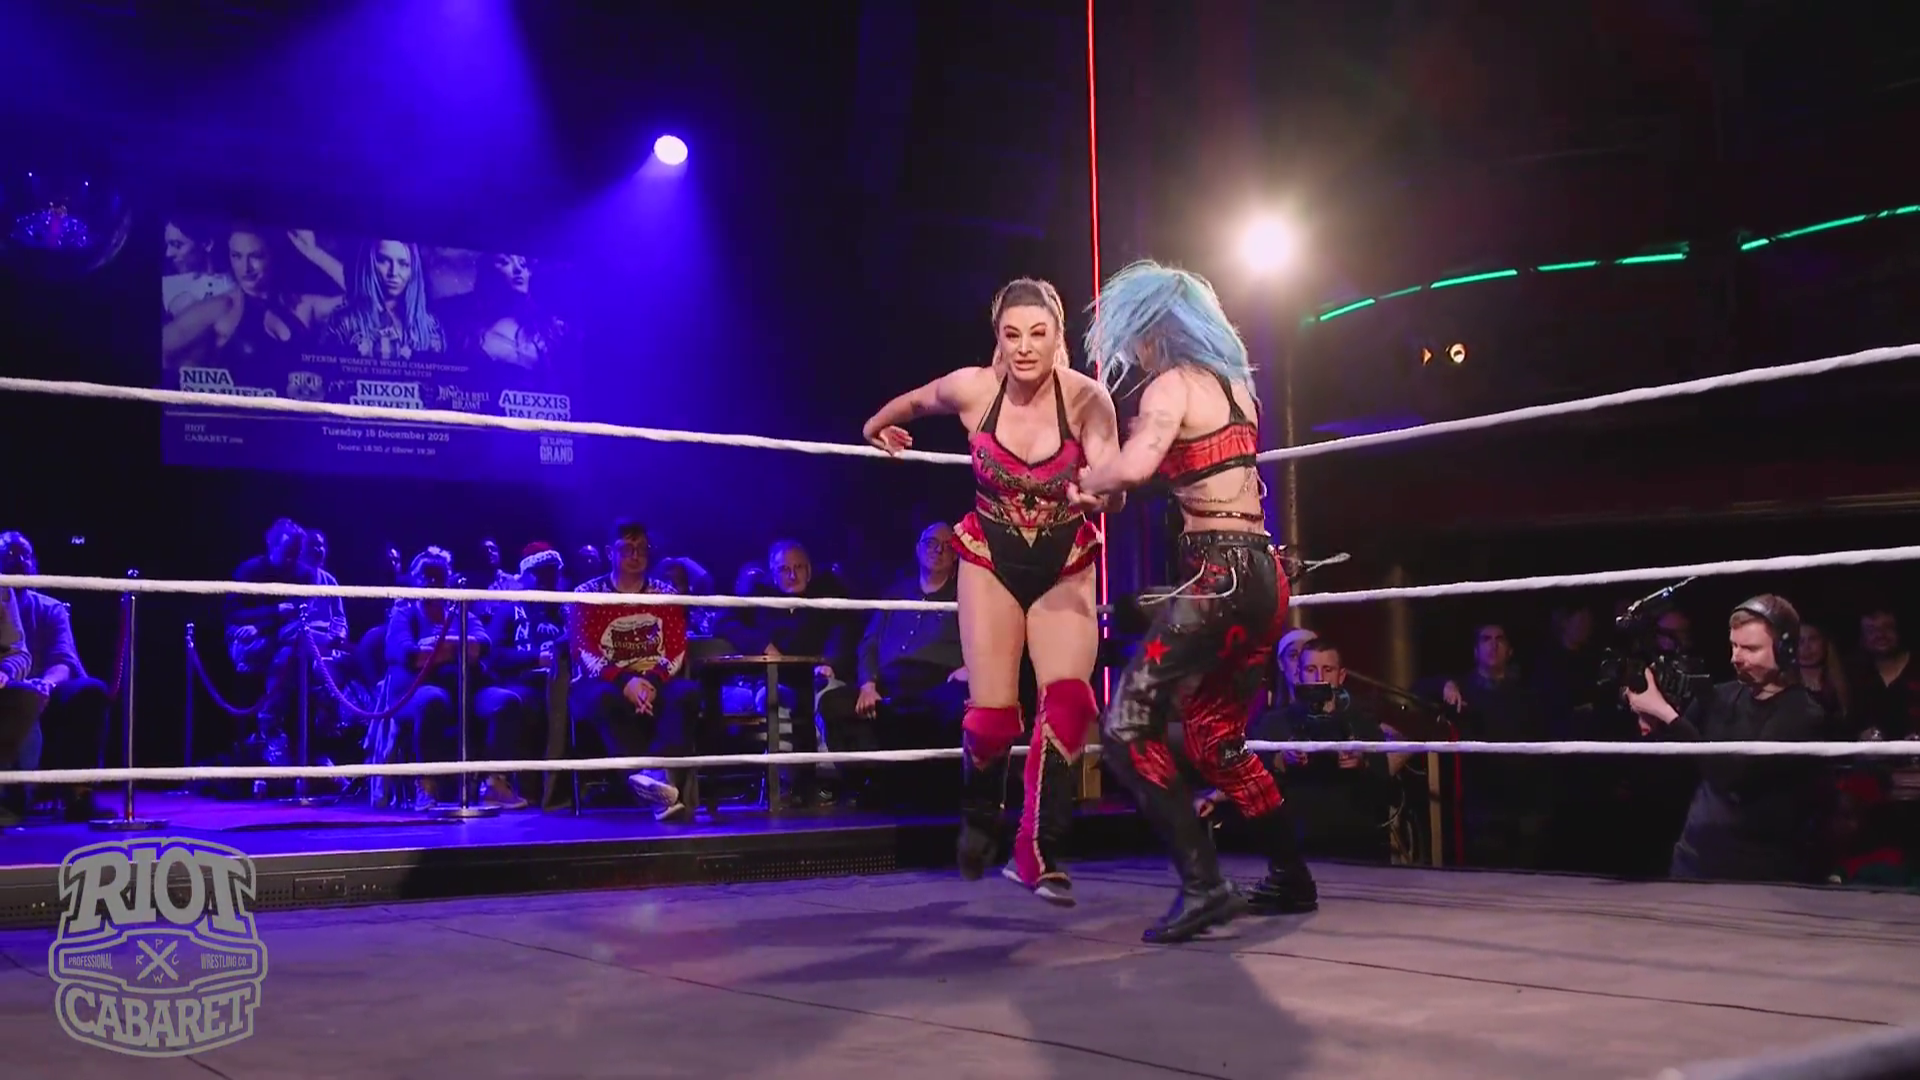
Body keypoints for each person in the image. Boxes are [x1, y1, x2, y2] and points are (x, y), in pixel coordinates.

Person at [1072, 259, 1317, 944]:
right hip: (1262, 574)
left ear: (1153, 329)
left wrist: (1083, 478)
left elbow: (1135, 466)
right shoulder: (1239, 389)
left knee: (1124, 727)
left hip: (1219, 577)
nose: (1133, 352)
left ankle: (1205, 885)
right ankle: (1291, 877)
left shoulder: (1171, 386)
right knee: (1214, 737)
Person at [861, 278, 1122, 904]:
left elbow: (1113, 479)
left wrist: (1102, 496)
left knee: (1070, 703)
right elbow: (918, 400)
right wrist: (877, 427)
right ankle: (980, 815)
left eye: (1038, 334)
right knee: (993, 719)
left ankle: (1038, 851)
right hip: (988, 558)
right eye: (1012, 334)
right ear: (998, 339)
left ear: (1057, 337)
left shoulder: (1088, 399)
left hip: (1065, 558)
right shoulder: (973, 388)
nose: (1025, 347)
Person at [1626, 595, 1832, 882]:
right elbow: (1677, 760)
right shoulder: (1720, 695)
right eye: (1734, 646)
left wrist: (1666, 714)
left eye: (1750, 648)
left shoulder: (1803, 714)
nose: (1736, 658)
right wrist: (1651, 723)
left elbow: (1735, 776)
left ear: (1785, 650)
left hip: (1758, 872)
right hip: (1692, 859)